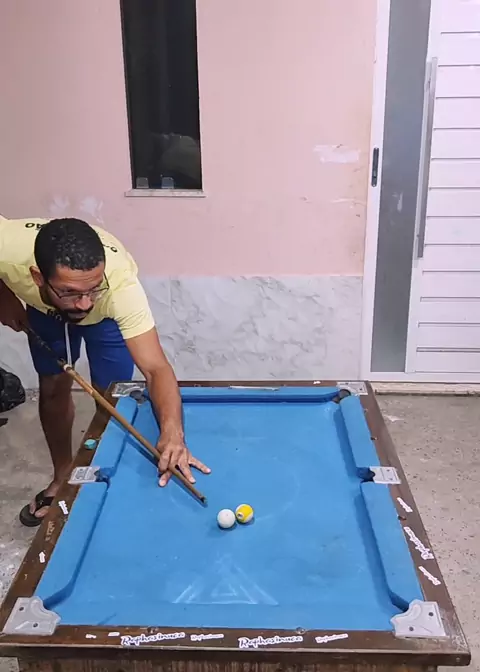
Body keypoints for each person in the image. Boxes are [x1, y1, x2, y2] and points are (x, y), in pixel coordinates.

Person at [0, 215, 210, 526]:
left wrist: (172, 434)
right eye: (71, 292)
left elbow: (156, 369)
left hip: (106, 321)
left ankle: (100, 476)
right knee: (53, 388)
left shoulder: (119, 287)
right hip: (45, 312)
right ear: (37, 277)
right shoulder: (9, 247)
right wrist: (3, 295)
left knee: (109, 398)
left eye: (93, 289)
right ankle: (62, 477)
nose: (85, 303)